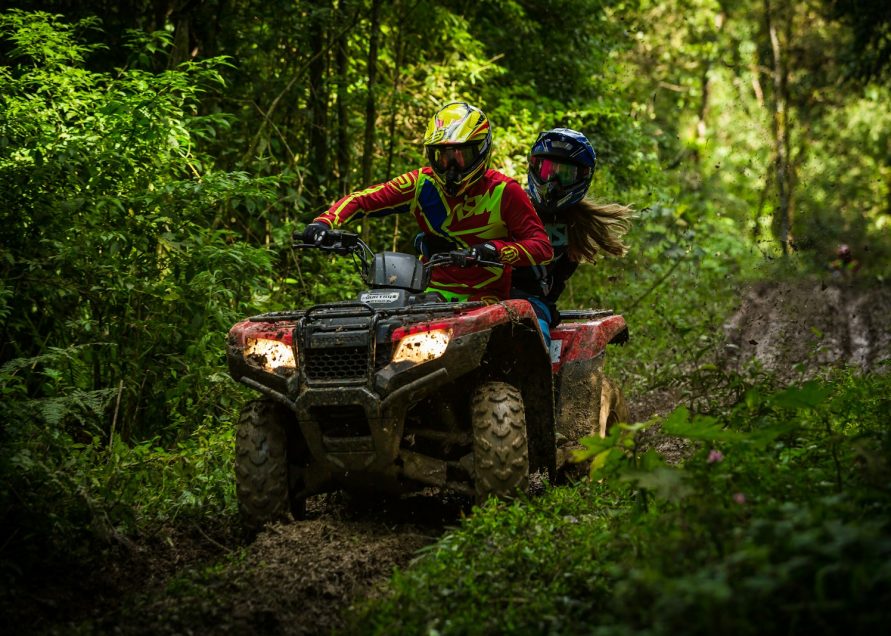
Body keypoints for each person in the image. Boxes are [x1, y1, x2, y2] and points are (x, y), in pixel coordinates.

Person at [302, 101, 553, 303]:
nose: (452, 168)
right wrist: (323, 223)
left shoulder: (504, 191)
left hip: (485, 299)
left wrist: (494, 250)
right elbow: (362, 200)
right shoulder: (420, 183)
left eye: (461, 157)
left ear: (481, 151)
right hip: (427, 293)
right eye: (443, 157)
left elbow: (542, 247)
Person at [515, 128, 632, 344]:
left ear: (582, 177)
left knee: (534, 342)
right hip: (487, 297)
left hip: (532, 305)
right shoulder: (511, 204)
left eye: (565, 175)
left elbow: (559, 277)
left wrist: (547, 303)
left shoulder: (576, 224)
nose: (553, 183)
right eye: (548, 171)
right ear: (534, 166)